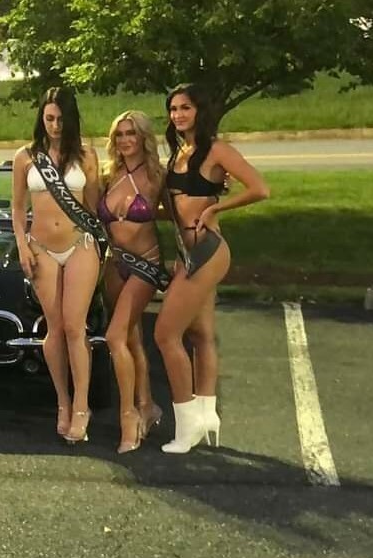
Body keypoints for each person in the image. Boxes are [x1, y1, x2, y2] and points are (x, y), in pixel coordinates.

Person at [154, 84, 269, 454]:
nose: (178, 115)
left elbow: (260, 189)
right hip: (185, 252)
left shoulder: (217, 149)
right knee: (201, 334)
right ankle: (206, 414)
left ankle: (186, 426)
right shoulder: (179, 152)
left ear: (199, 111)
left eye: (185, 108)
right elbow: (176, 204)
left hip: (208, 250)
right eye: (173, 109)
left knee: (165, 334)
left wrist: (216, 207)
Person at [11, 86, 103, 445]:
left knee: (75, 326)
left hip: (80, 245)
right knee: (55, 328)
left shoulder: (86, 155)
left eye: (61, 119)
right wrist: (22, 246)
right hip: (41, 249)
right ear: (41, 118)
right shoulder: (25, 157)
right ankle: (62, 402)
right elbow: (18, 208)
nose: (54, 125)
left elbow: (94, 207)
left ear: (71, 119)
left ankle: (82, 405)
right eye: (49, 118)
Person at [97, 111, 169, 453]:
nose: (125, 140)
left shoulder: (158, 175)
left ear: (143, 137)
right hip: (115, 265)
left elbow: (183, 208)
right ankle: (147, 406)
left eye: (131, 133)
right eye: (120, 134)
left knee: (114, 336)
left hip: (145, 265)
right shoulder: (108, 175)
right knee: (131, 338)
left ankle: (128, 418)